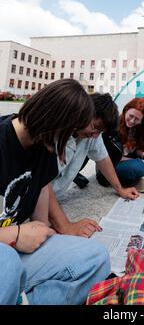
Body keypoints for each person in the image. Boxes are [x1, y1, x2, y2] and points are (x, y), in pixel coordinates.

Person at [0, 80, 110, 305]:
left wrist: (60, 232)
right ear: (55, 123)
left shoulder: (44, 147)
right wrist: (14, 235)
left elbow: (41, 225)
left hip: (17, 249)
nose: (71, 141)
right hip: (6, 251)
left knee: (96, 257)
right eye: (71, 133)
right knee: (8, 261)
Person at [50, 93, 139, 238]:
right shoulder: (56, 134)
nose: (96, 135)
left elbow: (103, 158)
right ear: (84, 112)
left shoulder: (91, 134)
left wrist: (120, 189)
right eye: (95, 127)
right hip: (32, 202)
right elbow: (42, 185)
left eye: (100, 131)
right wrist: (65, 226)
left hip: (53, 199)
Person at [98, 97, 144, 193]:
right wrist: (141, 161)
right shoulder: (113, 127)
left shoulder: (137, 128)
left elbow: (136, 149)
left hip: (130, 157)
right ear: (126, 110)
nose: (132, 121)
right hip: (114, 164)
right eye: (131, 116)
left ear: (142, 120)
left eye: (137, 119)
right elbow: (110, 158)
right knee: (137, 165)